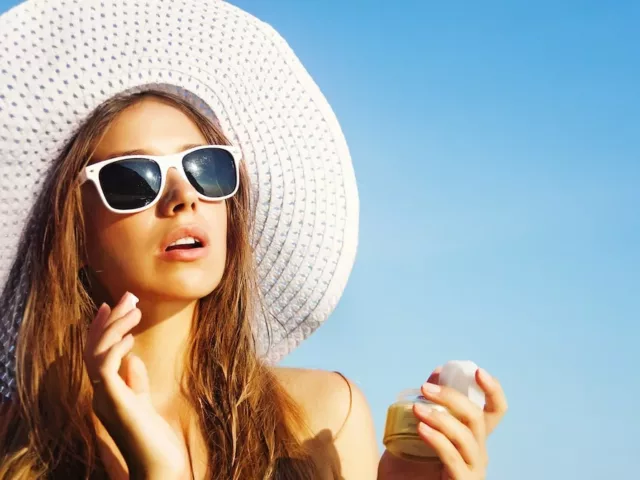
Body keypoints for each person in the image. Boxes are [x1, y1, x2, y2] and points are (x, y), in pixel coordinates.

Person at [0, 1, 507, 479]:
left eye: (207, 169)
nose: (183, 197)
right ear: (76, 235)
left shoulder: (324, 417)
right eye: (133, 179)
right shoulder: (16, 448)